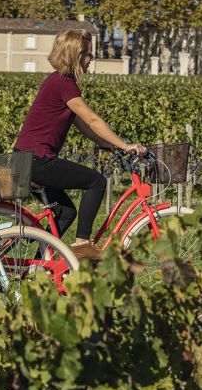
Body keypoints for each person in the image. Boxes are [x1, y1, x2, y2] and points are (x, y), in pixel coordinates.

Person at [14, 29, 146, 260]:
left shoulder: (56, 81)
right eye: (87, 54)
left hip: (26, 159)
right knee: (95, 181)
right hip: (38, 160)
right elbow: (92, 119)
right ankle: (82, 244)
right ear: (75, 56)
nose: (91, 59)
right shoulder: (64, 83)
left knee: (65, 212)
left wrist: (108, 144)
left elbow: (80, 124)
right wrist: (125, 145)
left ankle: (36, 264)